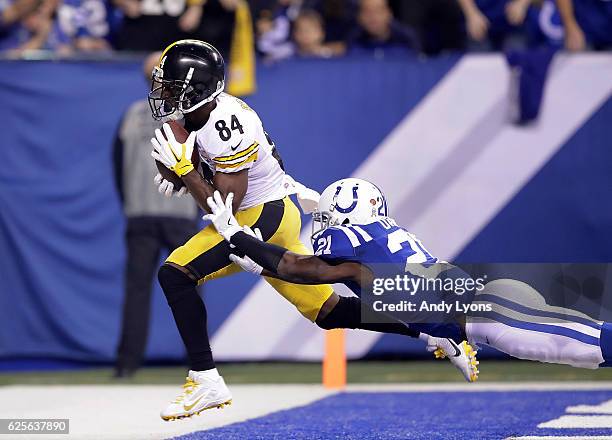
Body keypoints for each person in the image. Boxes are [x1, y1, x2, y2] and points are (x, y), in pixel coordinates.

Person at [148, 39, 478, 420]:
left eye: (174, 88)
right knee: (328, 310)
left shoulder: (226, 125)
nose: (166, 94)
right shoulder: (195, 116)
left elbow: (225, 210)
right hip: (274, 207)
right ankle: (429, 330)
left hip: (260, 216)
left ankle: (205, 379)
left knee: (175, 274)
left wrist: (188, 174)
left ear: (200, 91)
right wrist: (182, 174)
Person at [201, 179, 612, 373]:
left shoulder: (354, 247)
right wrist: (257, 258)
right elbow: (382, 300)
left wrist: (238, 235)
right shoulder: (377, 238)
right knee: (582, 339)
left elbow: (298, 267)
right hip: (483, 305)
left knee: (583, 345)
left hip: (486, 310)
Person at [112, 52, 199, 378]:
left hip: (143, 214)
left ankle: (126, 365)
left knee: (138, 290)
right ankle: (198, 363)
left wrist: (130, 203)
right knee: (188, 286)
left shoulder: (133, 114)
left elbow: (117, 166)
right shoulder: (190, 116)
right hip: (178, 213)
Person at [348, 0, 418, 53]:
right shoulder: (351, 40)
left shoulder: (407, 39)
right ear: (359, 17)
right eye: (367, 11)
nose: (372, 17)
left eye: (378, 11)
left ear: (389, 13)